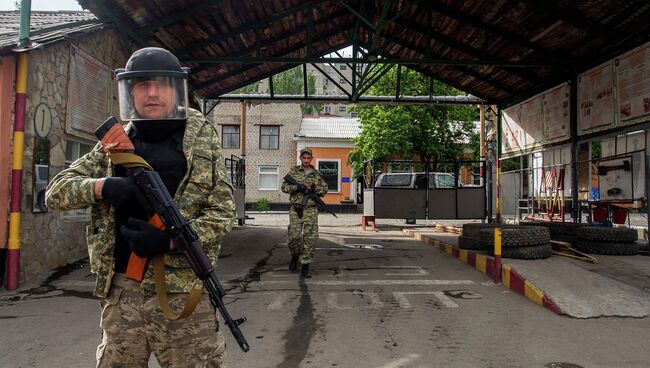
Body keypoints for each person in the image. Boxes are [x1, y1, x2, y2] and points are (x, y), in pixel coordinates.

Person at [46, 47, 235, 367]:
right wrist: (102, 186)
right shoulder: (116, 141)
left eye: (161, 84)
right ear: (129, 91)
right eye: (142, 84)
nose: (152, 92)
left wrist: (171, 241)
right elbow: (55, 193)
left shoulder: (200, 136)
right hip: (122, 293)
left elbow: (223, 211)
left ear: (176, 89)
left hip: (183, 296)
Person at [281, 147, 327, 278]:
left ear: (311, 158)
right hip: (296, 209)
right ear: (300, 158)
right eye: (304, 157)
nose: (306, 160)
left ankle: (305, 265)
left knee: (310, 238)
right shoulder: (294, 172)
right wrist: (297, 187)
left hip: (311, 210)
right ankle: (295, 257)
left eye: (308, 158)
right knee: (294, 237)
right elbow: (284, 187)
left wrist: (315, 189)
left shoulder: (317, 174)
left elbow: (324, 190)